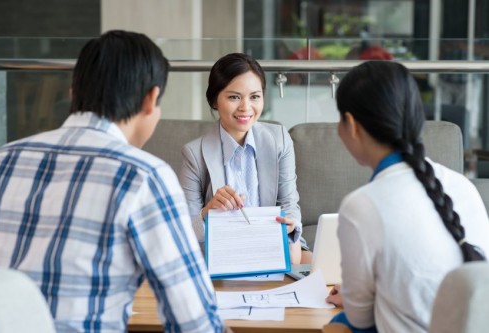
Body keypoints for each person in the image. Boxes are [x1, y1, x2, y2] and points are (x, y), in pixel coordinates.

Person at [0, 30, 228, 333]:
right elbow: (196, 324)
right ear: (150, 99)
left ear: (74, 90)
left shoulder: (0, 161)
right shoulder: (143, 176)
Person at [325, 61, 489, 333]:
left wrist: (355, 306)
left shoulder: (361, 206)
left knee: (336, 328)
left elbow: (360, 321)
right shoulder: (462, 186)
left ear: (351, 124)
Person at [178, 52, 311, 264]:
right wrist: (207, 212)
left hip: (272, 245)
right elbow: (184, 232)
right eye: (234, 97)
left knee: (314, 266)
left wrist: (291, 225)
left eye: (255, 96)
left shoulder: (279, 139)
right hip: (223, 253)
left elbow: (289, 203)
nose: (246, 107)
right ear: (214, 100)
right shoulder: (194, 154)